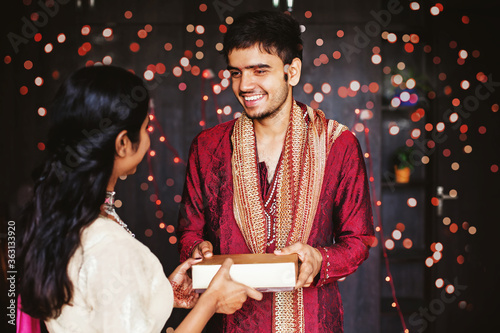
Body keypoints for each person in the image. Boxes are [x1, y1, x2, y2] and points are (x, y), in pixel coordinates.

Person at [17, 66, 262, 333]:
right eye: (146, 127)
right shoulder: (110, 246)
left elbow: (99, 309)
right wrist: (212, 302)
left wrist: (160, 293)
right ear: (123, 144)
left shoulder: (65, 218)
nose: (149, 138)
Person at [177, 10, 375, 332]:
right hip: (231, 322)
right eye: (236, 73)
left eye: (259, 70)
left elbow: (358, 240)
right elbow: (189, 230)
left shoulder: (338, 144)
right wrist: (197, 251)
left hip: (312, 321)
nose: (245, 85)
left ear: (291, 71)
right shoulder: (208, 147)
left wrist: (319, 259)